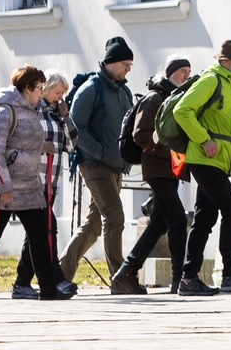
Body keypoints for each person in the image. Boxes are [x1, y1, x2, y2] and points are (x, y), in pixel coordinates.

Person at [175, 40, 231, 296]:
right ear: (225, 61)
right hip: (203, 159)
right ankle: (229, 274)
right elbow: (182, 111)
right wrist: (203, 139)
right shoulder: (211, 81)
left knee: (204, 219)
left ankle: (188, 278)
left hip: (218, 161)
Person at [0, 66, 68, 301]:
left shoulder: (33, 111)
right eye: (39, 87)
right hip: (5, 189)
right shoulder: (4, 111)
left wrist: (40, 148)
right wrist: (4, 184)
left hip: (30, 187)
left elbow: (24, 145)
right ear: (27, 88)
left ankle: (48, 289)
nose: (41, 92)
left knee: (40, 236)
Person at [112, 55, 193, 295]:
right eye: (181, 71)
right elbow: (140, 135)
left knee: (159, 223)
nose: (186, 75)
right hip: (158, 168)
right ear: (169, 73)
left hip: (170, 169)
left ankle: (126, 274)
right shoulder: (155, 97)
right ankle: (180, 279)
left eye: (188, 71)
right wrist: (164, 152)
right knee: (177, 220)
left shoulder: (173, 98)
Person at [60, 36, 135, 285]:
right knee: (114, 216)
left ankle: (59, 275)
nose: (128, 69)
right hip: (94, 164)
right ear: (111, 62)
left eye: (130, 65)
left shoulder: (123, 91)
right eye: (125, 64)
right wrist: (102, 152)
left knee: (94, 225)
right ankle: (121, 279)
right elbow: (76, 127)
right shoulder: (91, 89)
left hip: (116, 166)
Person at [15, 71, 77, 299]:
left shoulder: (56, 115)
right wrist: (40, 146)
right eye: (57, 92)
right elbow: (25, 139)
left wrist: (66, 117)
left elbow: (71, 145)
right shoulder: (34, 111)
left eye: (63, 93)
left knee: (39, 231)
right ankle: (53, 278)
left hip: (52, 182)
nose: (60, 97)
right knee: (44, 230)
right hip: (34, 179)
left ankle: (23, 282)